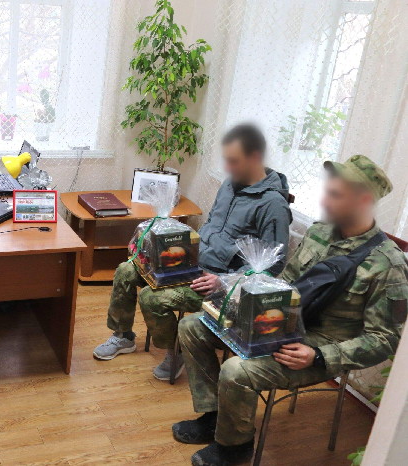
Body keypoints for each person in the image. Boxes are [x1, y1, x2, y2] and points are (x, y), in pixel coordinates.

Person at [173, 155, 407, 466]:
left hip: (319, 346)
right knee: (193, 327)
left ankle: (235, 445)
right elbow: (287, 282)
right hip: (282, 324)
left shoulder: (388, 264)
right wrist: (248, 297)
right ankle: (215, 416)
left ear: (364, 201)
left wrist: (319, 356)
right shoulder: (319, 232)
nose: (324, 201)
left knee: (236, 371)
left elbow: (386, 340)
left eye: (335, 195)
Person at [93, 124, 293, 381]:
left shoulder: (273, 204)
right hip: (193, 264)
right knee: (126, 269)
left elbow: (273, 264)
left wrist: (224, 281)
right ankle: (123, 336)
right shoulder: (230, 184)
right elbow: (212, 228)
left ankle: (176, 352)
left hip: (221, 285)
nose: (228, 167)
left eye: (233, 161)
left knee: (153, 299)